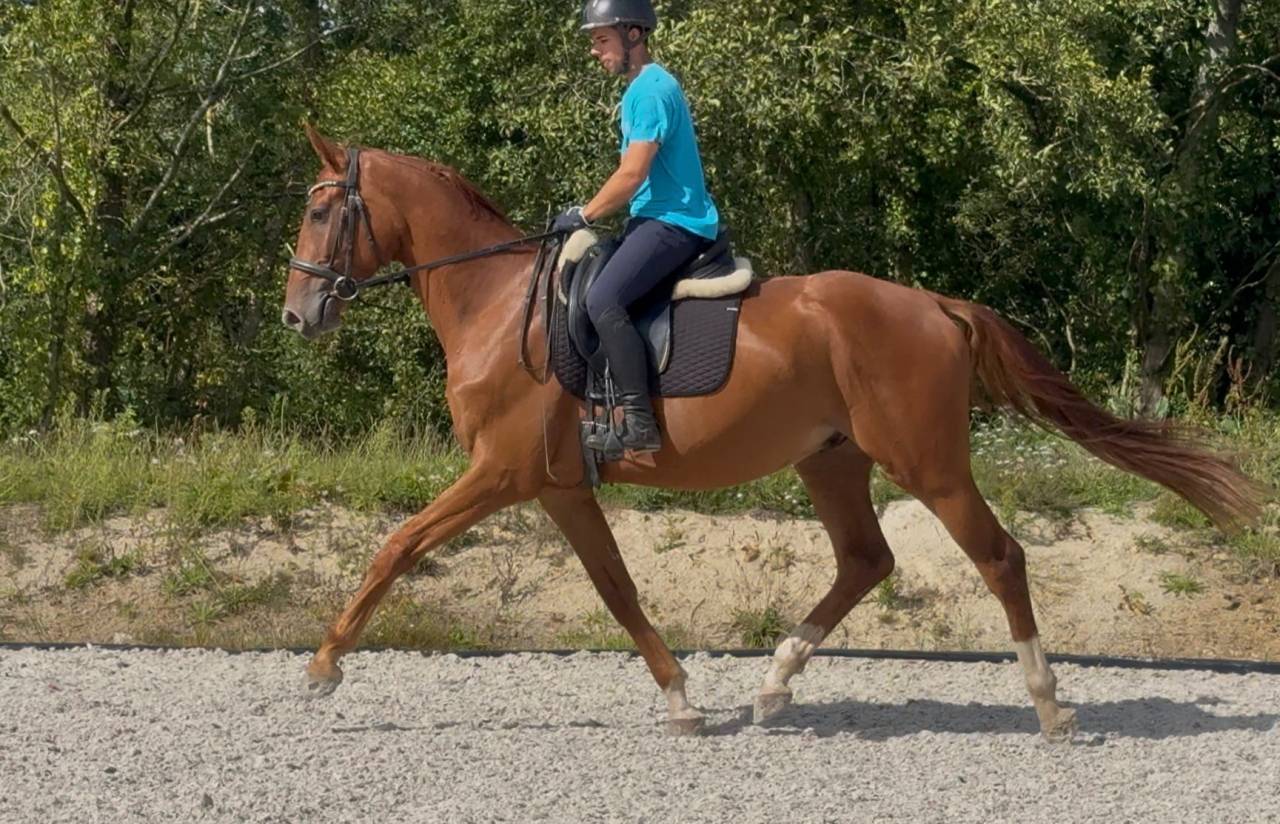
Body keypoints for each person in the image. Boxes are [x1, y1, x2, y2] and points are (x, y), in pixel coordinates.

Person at [552, 0, 721, 454]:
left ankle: (639, 420)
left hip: (675, 222)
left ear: (633, 36)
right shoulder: (642, 89)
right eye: (592, 42)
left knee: (603, 297)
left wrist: (583, 215)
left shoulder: (648, 91)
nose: (594, 51)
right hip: (653, 219)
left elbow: (632, 175)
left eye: (601, 39)